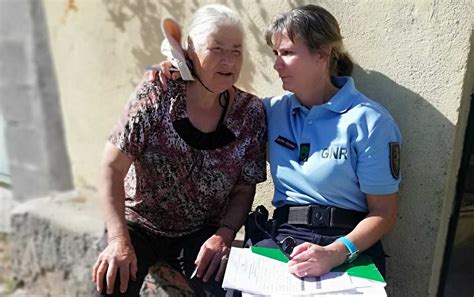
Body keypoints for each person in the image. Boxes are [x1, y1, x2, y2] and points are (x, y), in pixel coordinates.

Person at [154, 4, 401, 281]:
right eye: (275, 54)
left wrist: (334, 252)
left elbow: (384, 213)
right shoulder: (268, 111)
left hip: (346, 244)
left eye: (287, 53)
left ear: (323, 53)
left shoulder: (370, 121)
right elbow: (212, 94)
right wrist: (178, 72)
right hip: (283, 238)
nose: (276, 64)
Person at [91, 4, 266, 297]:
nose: (229, 60)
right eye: (217, 48)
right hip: (140, 224)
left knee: (231, 290)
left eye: (236, 51)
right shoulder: (157, 94)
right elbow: (111, 167)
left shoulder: (250, 113)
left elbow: (244, 188)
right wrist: (118, 239)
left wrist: (224, 235)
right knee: (110, 285)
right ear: (189, 51)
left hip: (201, 231)